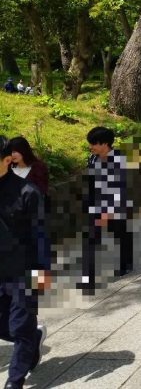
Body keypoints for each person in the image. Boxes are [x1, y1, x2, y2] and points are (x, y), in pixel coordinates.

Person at [0, 135, 50, 389]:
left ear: (7, 160)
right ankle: (34, 337)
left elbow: (40, 235)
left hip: (23, 271)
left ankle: (15, 381)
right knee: (8, 328)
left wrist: (42, 272)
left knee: (20, 327)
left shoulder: (28, 193)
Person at [78, 127, 131, 293]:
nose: (91, 146)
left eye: (94, 143)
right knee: (90, 240)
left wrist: (108, 212)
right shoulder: (92, 159)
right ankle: (87, 279)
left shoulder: (118, 160)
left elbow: (118, 188)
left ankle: (125, 264)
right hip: (96, 205)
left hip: (115, 205)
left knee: (121, 235)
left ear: (105, 144)